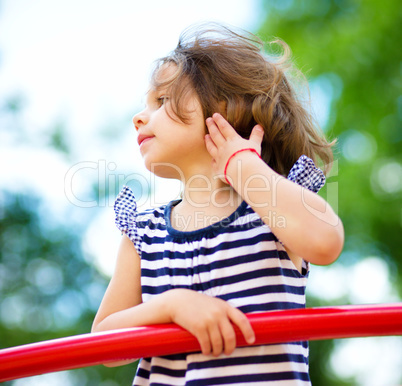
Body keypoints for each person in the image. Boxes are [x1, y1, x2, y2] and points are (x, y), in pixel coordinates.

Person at [92, 23, 344, 385]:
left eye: (162, 101)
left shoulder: (271, 213)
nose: (140, 116)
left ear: (225, 110)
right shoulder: (142, 233)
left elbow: (326, 243)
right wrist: (171, 306)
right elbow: (103, 344)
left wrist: (242, 165)